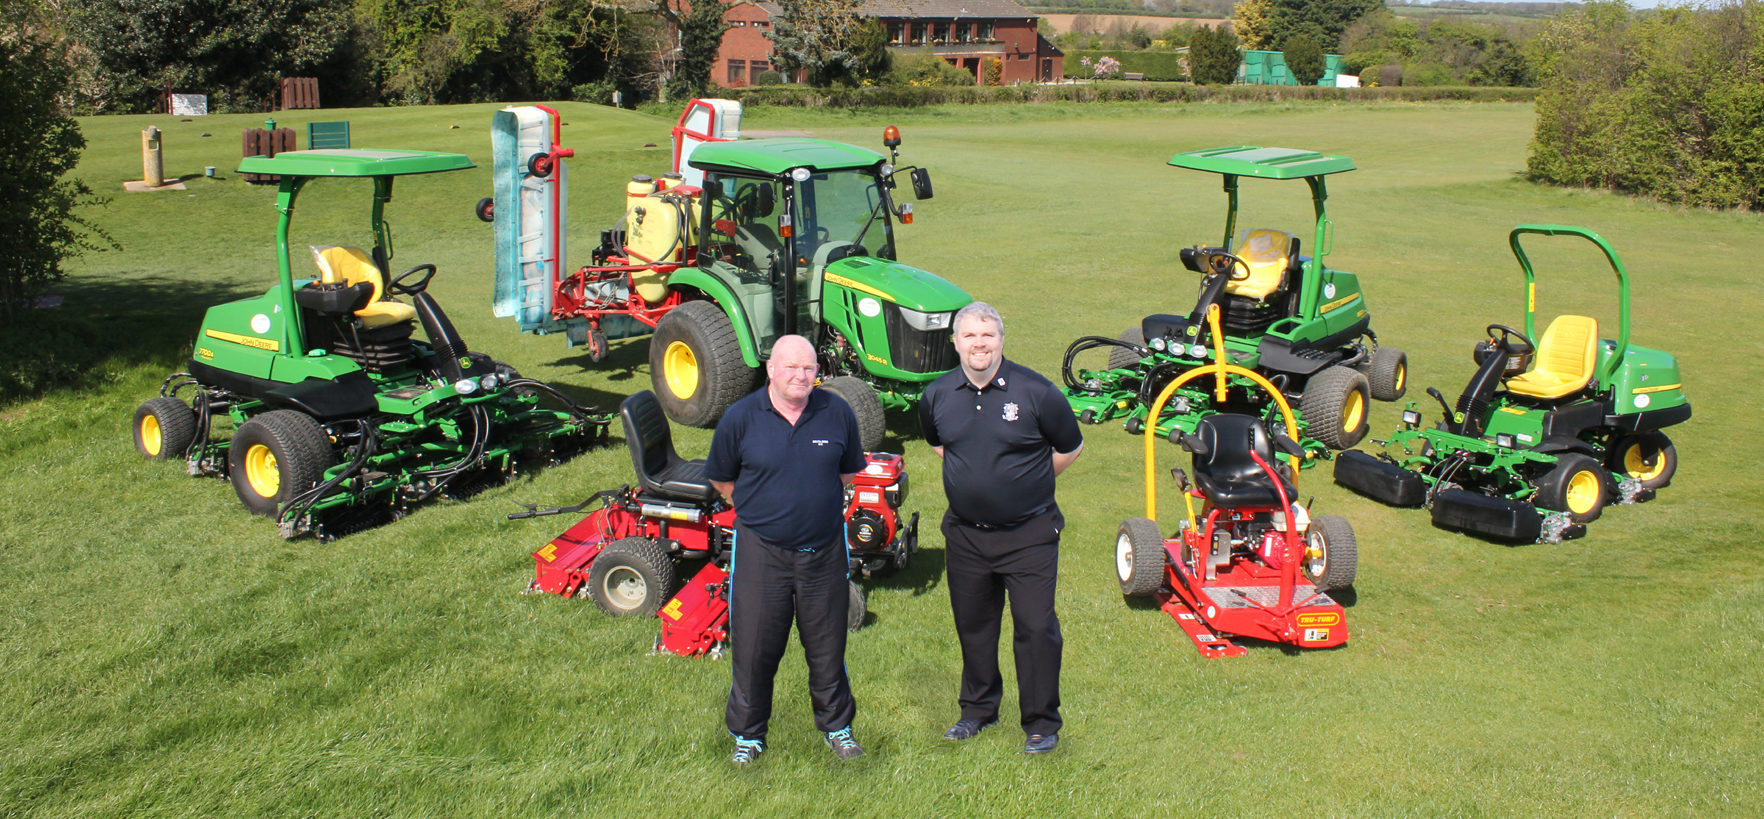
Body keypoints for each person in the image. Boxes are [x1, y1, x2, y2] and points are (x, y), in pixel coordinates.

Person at [918, 302, 1083, 755]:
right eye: (970, 336)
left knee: (1036, 628)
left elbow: (1070, 447)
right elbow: (938, 444)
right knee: (974, 627)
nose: (979, 344)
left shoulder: (1037, 392)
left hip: (1029, 535)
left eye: (988, 335)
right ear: (955, 342)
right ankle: (977, 710)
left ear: (1002, 341)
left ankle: (1041, 723)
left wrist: (1027, 484)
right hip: (966, 536)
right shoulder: (936, 395)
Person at [704, 334, 868, 767]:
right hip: (762, 554)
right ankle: (748, 735)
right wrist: (760, 508)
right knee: (754, 649)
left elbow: (848, 472)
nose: (800, 375)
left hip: (823, 552)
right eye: (791, 367)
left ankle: (837, 727)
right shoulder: (741, 417)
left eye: (809, 368)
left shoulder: (837, 413)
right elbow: (722, 478)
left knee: (827, 648)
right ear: (771, 370)